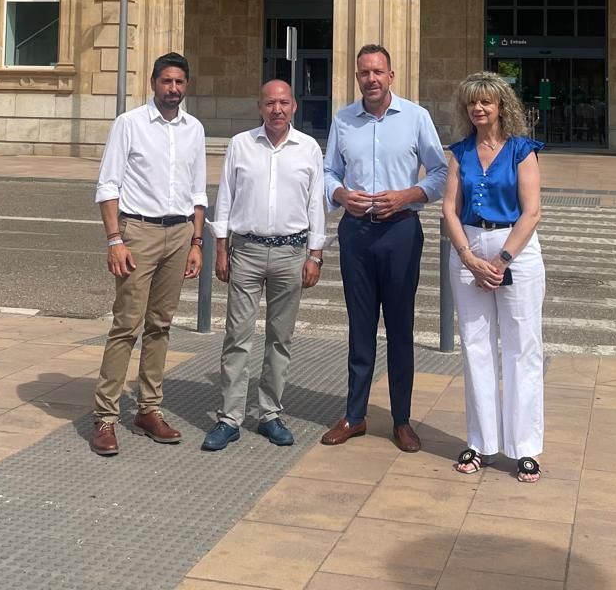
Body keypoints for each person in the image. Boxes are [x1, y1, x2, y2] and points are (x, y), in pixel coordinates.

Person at [321, 44, 448, 453]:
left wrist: (409, 194)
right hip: (356, 233)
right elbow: (327, 172)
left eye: (378, 72)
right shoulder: (343, 120)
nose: (371, 79)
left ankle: (401, 420)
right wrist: (339, 193)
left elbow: (441, 172)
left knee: (399, 329)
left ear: (391, 76)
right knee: (359, 329)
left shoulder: (416, 117)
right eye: (364, 73)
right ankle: (355, 416)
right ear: (356, 77)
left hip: (400, 233)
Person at [90, 53, 207, 457]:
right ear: (153, 83)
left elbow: (198, 191)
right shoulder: (130, 124)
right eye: (166, 82)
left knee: (161, 324)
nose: (173, 89)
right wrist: (114, 241)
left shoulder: (194, 129)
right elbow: (108, 185)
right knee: (126, 325)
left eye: (179, 82)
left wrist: (196, 243)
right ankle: (105, 417)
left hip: (179, 233)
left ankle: (148, 410)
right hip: (137, 231)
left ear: (186, 85)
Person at [201, 80, 325, 452]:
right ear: (260, 107)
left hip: (291, 252)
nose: (277, 110)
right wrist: (220, 249)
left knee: (280, 339)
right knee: (237, 337)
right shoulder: (240, 144)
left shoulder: (309, 148)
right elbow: (225, 197)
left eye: (284, 103)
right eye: (270, 103)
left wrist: (315, 255)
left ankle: (270, 413)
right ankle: (230, 418)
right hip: (247, 252)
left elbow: (316, 203)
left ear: (294, 107)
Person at [441, 71, 546, 483]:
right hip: (469, 245)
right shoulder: (460, 152)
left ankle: (525, 448)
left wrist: (501, 260)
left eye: (486, 101)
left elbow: (532, 211)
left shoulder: (522, 150)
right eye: (472, 103)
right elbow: (449, 207)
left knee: (522, 347)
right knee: (476, 347)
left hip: (513, 249)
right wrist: (467, 257)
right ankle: (481, 442)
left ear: (502, 106)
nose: (478, 108)